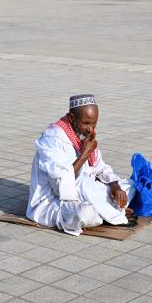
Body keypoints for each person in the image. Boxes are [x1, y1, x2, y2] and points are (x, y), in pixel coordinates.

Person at [27, 94, 136, 236]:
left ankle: (109, 209)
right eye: (86, 123)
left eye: (94, 123)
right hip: (54, 201)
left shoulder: (82, 134)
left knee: (130, 185)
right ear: (72, 118)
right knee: (86, 213)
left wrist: (115, 186)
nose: (91, 129)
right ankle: (109, 210)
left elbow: (100, 167)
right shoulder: (52, 139)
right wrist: (85, 153)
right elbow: (61, 186)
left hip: (85, 192)